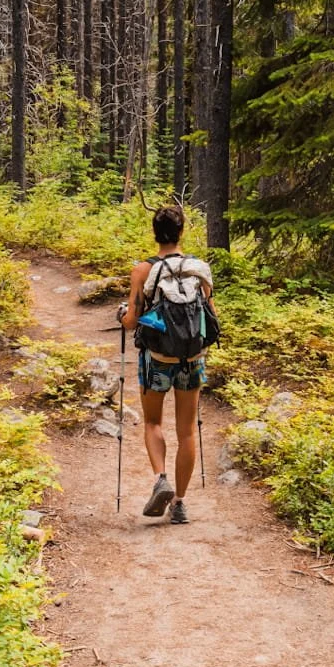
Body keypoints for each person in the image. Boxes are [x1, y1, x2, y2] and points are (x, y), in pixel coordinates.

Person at [119, 204, 214, 524]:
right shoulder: (199, 268)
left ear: (155, 233)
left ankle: (161, 478)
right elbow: (211, 317)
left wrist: (123, 315)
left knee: (152, 423)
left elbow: (132, 322)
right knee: (187, 432)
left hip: (156, 359)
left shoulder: (143, 271)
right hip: (192, 360)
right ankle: (180, 503)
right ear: (181, 232)